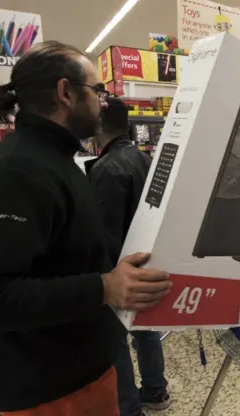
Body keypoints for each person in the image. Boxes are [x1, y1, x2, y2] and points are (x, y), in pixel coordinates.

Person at [0, 41, 172, 416]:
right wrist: (103, 286)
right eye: (97, 91)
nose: (102, 102)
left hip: (78, 373)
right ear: (65, 92)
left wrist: (113, 268)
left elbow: (57, 258)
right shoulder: (14, 173)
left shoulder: (56, 160)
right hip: (50, 392)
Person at [86, 98, 169, 416]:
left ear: (98, 125)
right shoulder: (144, 159)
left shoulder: (106, 168)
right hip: (145, 260)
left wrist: (102, 277)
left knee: (115, 340)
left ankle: (129, 407)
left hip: (119, 266)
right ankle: (155, 389)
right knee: (145, 330)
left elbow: (104, 231)